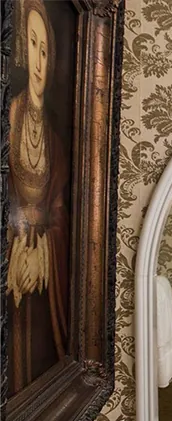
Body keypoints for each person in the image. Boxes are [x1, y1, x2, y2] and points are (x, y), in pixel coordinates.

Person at [7, 0, 70, 395]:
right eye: (33, 46)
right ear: (20, 49)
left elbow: (62, 211)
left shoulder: (56, 142)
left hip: (43, 270)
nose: (39, 61)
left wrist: (43, 249)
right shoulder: (8, 121)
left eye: (46, 50)